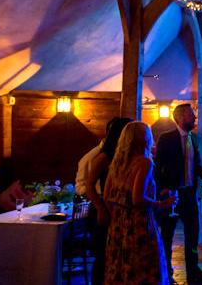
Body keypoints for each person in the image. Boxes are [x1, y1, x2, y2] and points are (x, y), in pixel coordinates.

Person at [103, 121, 172, 285]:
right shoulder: (144, 162)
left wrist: (117, 216)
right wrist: (161, 204)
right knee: (143, 270)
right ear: (144, 139)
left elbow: (106, 195)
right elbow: (137, 198)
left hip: (118, 224)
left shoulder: (117, 163)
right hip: (139, 223)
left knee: (120, 268)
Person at [154, 104, 202, 283]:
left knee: (192, 235)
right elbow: (157, 166)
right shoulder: (166, 138)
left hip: (189, 194)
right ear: (180, 117)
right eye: (191, 115)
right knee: (167, 236)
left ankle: (193, 272)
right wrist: (162, 187)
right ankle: (167, 274)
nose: (194, 118)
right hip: (171, 194)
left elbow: (194, 165)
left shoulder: (193, 139)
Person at [85, 117, 131, 285]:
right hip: (104, 208)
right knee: (103, 254)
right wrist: (101, 208)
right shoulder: (103, 157)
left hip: (117, 209)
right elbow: (89, 186)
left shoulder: (123, 157)